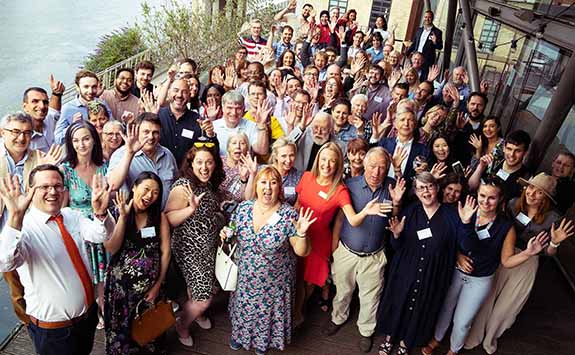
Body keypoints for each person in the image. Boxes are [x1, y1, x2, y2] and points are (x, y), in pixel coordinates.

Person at [423, 179, 549, 355]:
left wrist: (527, 253)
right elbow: (449, 242)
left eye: (492, 198)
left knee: (463, 321)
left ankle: (453, 349)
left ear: (500, 200)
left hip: (480, 280)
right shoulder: (465, 211)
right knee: (445, 309)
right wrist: (458, 256)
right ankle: (436, 339)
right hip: (455, 272)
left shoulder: (506, 227)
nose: (485, 201)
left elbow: (506, 261)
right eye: (482, 195)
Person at [0, 164, 114, 355]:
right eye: (44, 187)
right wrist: (15, 219)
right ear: (30, 191)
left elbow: (101, 235)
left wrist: (101, 213)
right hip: (54, 331)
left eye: (58, 186)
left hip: (86, 319)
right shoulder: (24, 228)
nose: (52, 191)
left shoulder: (71, 215)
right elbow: (5, 262)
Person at [464, 173, 574, 354]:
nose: (532, 194)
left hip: (528, 262)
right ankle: (474, 335)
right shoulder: (512, 204)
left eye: (539, 192)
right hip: (503, 255)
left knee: (506, 306)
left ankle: (490, 339)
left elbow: (549, 253)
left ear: (546, 197)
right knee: (487, 298)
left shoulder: (553, 218)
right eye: (531, 188)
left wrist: (554, 243)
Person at [294, 142, 391, 326]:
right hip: (299, 234)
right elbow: (298, 205)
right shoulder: (306, 177)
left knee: (307, 282)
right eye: (324, 159)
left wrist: (365, 211)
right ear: (318, 160)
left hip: (318, 241)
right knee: (295, 276)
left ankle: (298, 312)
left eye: (332, 161)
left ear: (338, 164)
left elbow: (353, 220)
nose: (327, 165)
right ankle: (293, 311)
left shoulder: (340, 190)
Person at [376, 172, 470, 355]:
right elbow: (396, 246)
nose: (426, 191)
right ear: (416, 192)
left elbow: (466, 244)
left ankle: (406, 342)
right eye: (421, 188)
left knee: (421, 308)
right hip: (406, 269)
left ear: (437, 188)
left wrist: (466, 223)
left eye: (429, 187)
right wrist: (396, 235)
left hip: (432, 273)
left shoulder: (452, 215)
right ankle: (390, 338)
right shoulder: (410, 211)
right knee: (399, 302)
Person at [225, 166, 314, 354]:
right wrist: (226, 233)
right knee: (243, 310)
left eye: (273, 183)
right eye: (263, 182)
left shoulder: (288, 215)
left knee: (266, 318)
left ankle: (262, 343)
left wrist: (302, 234)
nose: (268, 188)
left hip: (274, 285)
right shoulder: (244, 208)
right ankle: (239, 335)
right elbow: (232, 230)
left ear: (279, 188)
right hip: (245, 279)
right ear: (256, 185)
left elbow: (301, 251)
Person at [325, 148, 404, 353]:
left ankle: (366, 332)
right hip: (347, 252)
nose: (376, 172)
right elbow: (340, 219)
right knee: (342, 290)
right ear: (364, 165)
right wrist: (334, 249)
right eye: (372, 166)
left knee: (371, 297)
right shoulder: (350, 186)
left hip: (374, 255)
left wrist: (396, 202)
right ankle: (337, 318)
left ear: (387, 168)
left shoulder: (392, 187)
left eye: (381, 167)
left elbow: (395, 216)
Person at [0, 112, 62, 325]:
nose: (21, 138)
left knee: (39, 280)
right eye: (15, 132)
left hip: (34, 233)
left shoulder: (39, 158)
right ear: (3, 133)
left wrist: (50, 169)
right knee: (16, 287)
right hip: (5, 234)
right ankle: (30, 324)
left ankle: (47, 320)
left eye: (27, 133)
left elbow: (51, 192)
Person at [104, 172, 170, 354]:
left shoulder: (159, 217)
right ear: (134, 187)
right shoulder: (118, 211)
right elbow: (111, 247)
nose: (150, 196)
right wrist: (123, 218)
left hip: (150, 290)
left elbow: (165, 252)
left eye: (156, 193)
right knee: (123, 332)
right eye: (146, 189)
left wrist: (158, 285)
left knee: (149, 330)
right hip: (121, 292)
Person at [165, 145, 224, 346]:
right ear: (191, 164)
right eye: (199, 162)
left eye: (209, 162)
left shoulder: (207, 184)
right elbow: (169, 218)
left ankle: (197, 315)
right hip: (190, 249)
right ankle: (182, 323)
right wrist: (190, 210)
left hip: (207, 248)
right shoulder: (183, 186)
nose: (205, 167)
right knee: (204, 298)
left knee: (197, 288)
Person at [60, 120, 109, 329]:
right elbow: (63, 208)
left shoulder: (105, 166)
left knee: (105, 275)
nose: (81, 144)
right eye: (76, 140)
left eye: (86, 139)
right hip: (79, 232)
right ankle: (89, 313)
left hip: (104, 225)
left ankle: (105, 311)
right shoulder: (66, 171)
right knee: (86, 274)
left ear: (94, 141)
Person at [107, 113, 178, 210]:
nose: (151, 137)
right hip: (132, 219)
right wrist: (130, 154)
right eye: (146, 132)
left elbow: (175, 184)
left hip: (163, 218)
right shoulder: (122, 154)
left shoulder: (167, 155)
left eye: (155, 132)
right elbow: (113, 185)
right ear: (137, 132)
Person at [158, 79, 217, 166]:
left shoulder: (198, 121)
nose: (179, 95)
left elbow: (211, 152)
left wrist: (210, 135)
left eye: (184, 92)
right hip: (160, 172)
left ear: (189, 95)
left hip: (187, 175)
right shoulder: (157, 116)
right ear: (169, 92)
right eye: (176, 90)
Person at [468, 130, 531, 200]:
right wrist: (481, 167)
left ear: (525, 153)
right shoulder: (494, 161)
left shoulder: (525, 178)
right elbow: (471, 186)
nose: (512, 154)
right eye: (509, 149)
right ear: (504, 148)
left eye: (518, 151)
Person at [55, 70, 112, 144]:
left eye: (94, 87)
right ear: (77, 87)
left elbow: (112, 125)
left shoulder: (102, 103)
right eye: (86, 87)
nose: (90, 91)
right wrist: (73, 126)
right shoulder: (67, 108)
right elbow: (57, 140)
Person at [213, 90, 270, 156]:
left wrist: (261, 124)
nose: (234, 113)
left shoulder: (251, 126)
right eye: (230, 108)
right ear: (222, 108)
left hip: (245, 165)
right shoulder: (214, 127)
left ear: (243, 109)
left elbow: (262, 151)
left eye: (238, 108)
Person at [22, 86, 61, 153]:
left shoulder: (48, 120)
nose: (42, 106)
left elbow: (54, 111)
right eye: (35, 101)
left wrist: (57, 94)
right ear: (25, 107)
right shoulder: (23, 137)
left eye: (45, 102)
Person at [220, 133, 255, 203]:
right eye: (234, 143)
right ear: (228, 147)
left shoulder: (250, 168)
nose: (238, 146)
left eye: (242, 143)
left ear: (247, 149)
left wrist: (245, 178)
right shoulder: (218, 161)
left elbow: (246, 199)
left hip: (234, 208)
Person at [270, 137, 303, 206]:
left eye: (291, 155)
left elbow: (298, 204)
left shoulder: (299, 176)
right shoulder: (264, 172)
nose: (288, 160)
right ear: (276, 156)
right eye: (283, 156)